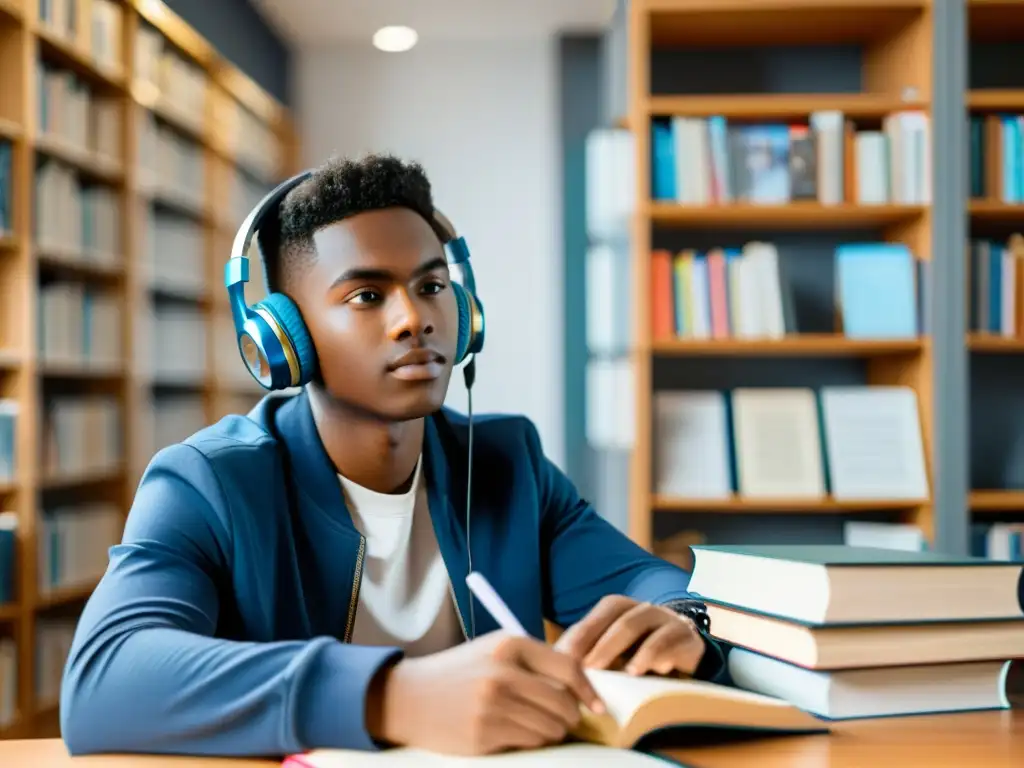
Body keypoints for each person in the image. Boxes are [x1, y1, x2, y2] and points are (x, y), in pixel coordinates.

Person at [59, 154, 726, 759]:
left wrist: (678, 621)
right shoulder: (209, 482)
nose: (415, 319)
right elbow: (105, 679)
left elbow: (647, 581)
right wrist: (394, 696)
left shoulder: (507, 460)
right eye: (368, 296)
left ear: (464, 311)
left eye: (432, 286)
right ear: (283, 337)